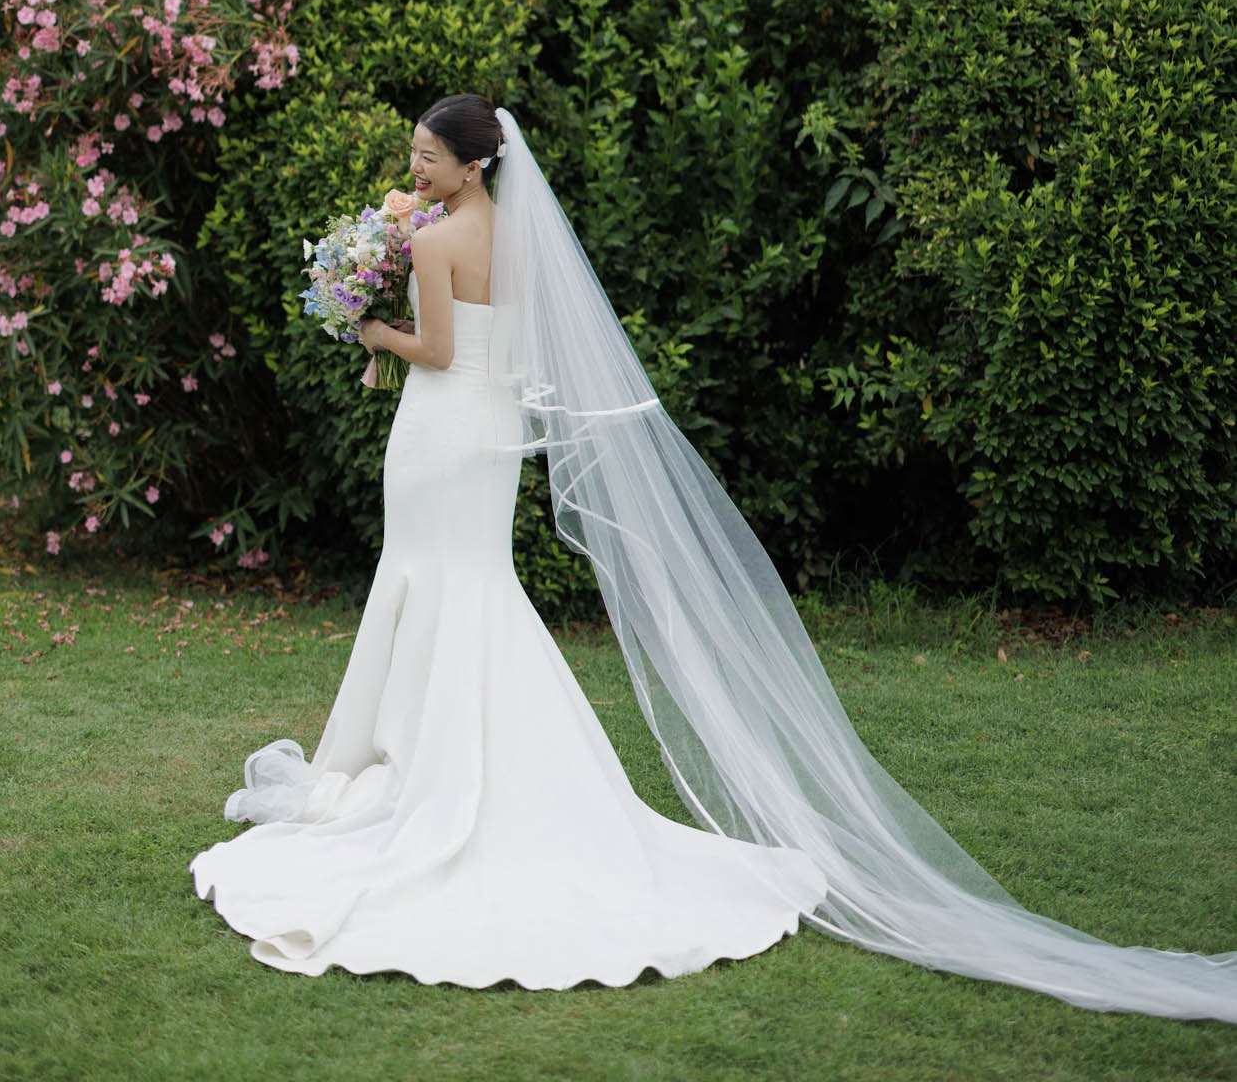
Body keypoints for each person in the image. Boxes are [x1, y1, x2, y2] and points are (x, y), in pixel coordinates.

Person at [190, 95, 1237, 1018]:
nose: (412, 166)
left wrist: (365, 325)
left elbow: (440, 350)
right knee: (470, 581)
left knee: (433, 578)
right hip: (491, 440)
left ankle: (423, 773)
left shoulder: (427, 244)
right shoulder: (516, 233)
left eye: (427, 155)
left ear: (471, 162)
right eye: (412, 151)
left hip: (440, 430)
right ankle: (443, 761)